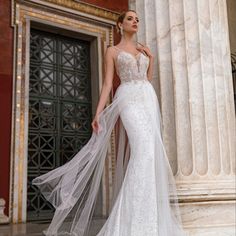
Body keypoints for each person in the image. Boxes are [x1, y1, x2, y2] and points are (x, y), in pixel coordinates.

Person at [33, 10, 187, 236]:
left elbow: (147, 78)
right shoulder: (112, 51)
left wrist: (151, 58)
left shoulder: (143, 48)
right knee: (143, 151)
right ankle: (128, 220)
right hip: (128, 101)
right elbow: (107, 84)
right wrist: (98, 113)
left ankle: (148, 219)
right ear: (119, 24)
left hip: (147, 98)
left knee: (151, 153)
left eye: (137, 19)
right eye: (130, 19)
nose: (135, 22)